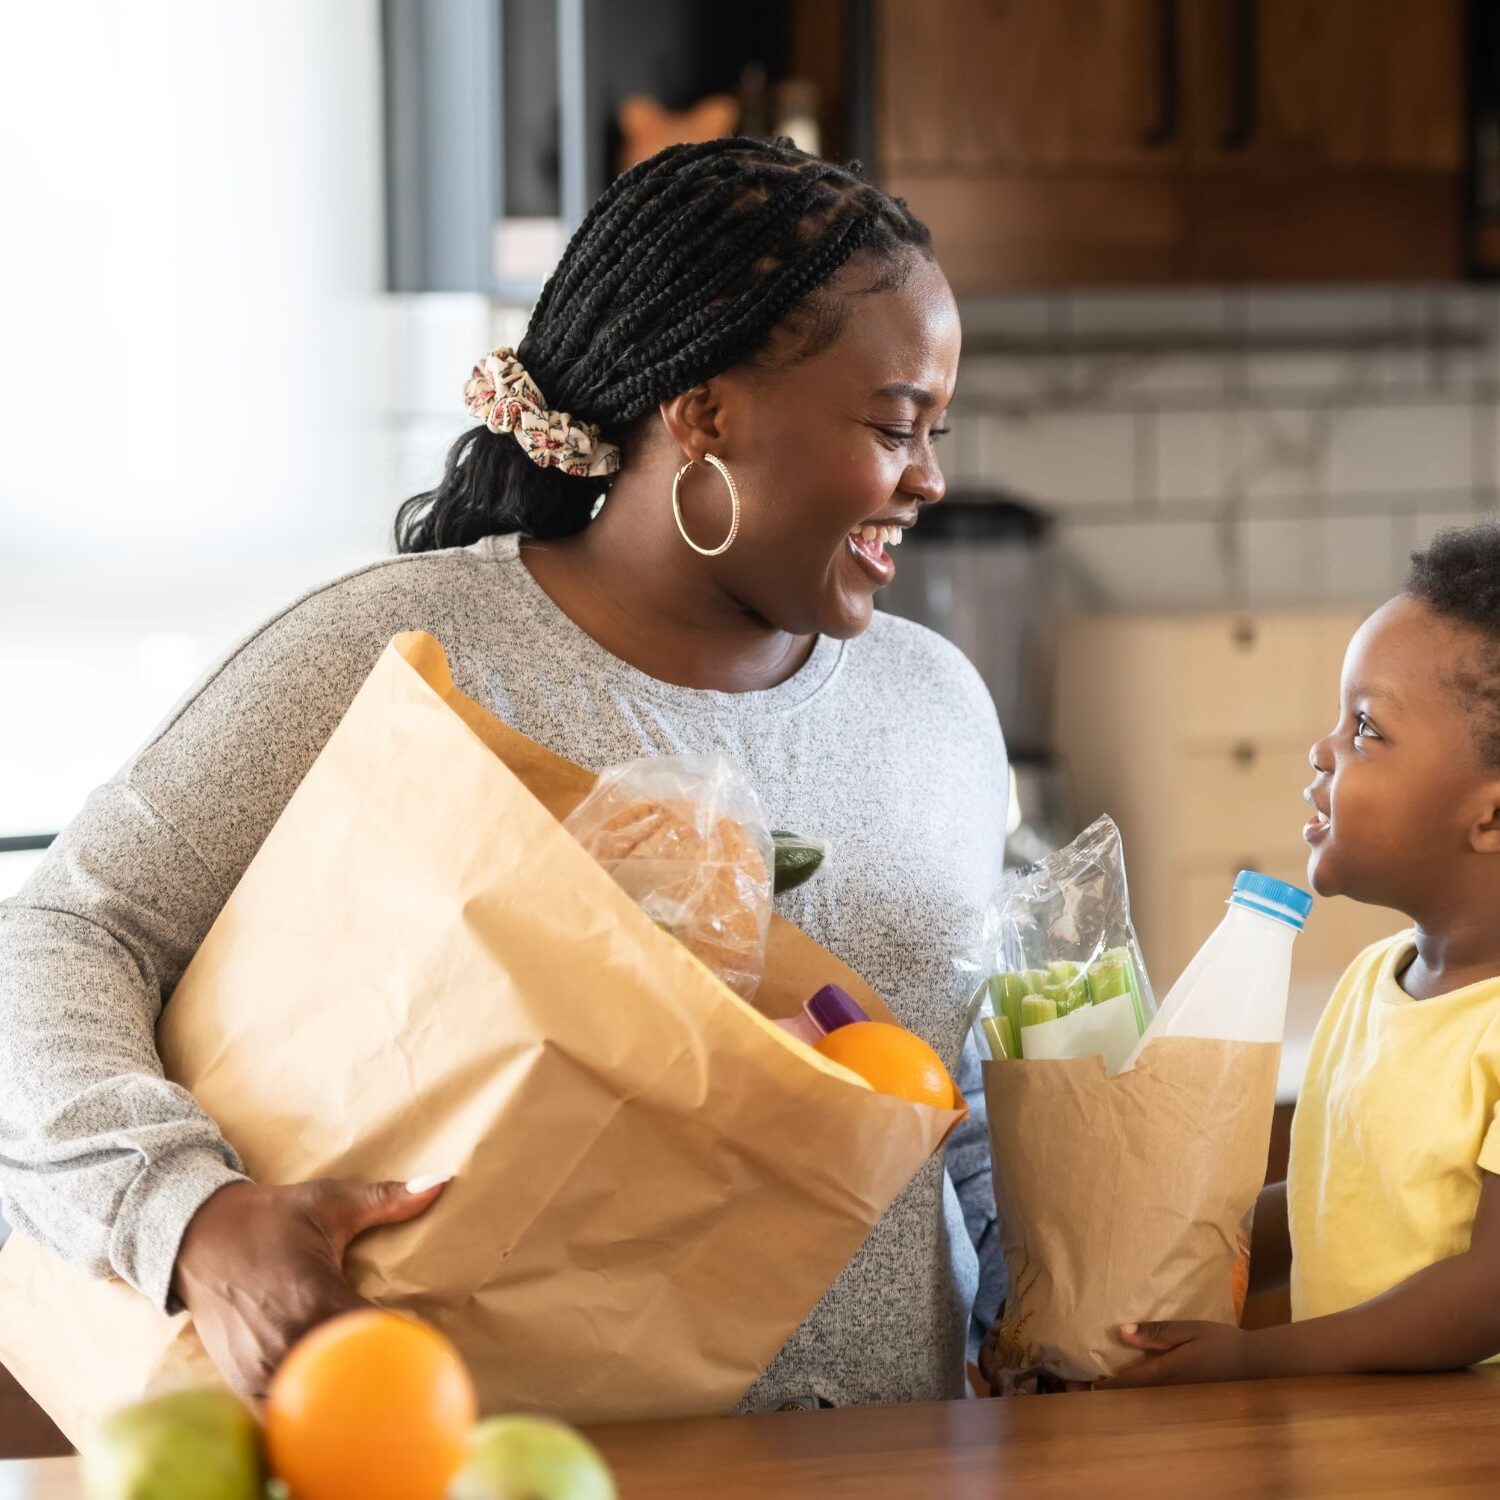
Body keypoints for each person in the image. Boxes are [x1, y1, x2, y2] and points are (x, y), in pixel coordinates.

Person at [0, 138, 1008, 1408]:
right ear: (705, 410)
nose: (930, 479)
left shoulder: (938, 708)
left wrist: (1060, 1290)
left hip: (893, 1468)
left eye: (937, 431)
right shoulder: (407, 657)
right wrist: (189, 1218)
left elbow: (953, 1094)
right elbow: (57, 940)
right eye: (895, 426)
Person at [1116, 522, 1500, 1385]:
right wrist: (1177, 1239)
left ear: (1492, 817)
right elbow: (1339, 1201)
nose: (1323, 752)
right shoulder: (1375, 981)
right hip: (1358, 1446)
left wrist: (1257, 1359)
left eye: (1365, 729)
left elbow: (1487, 1291)